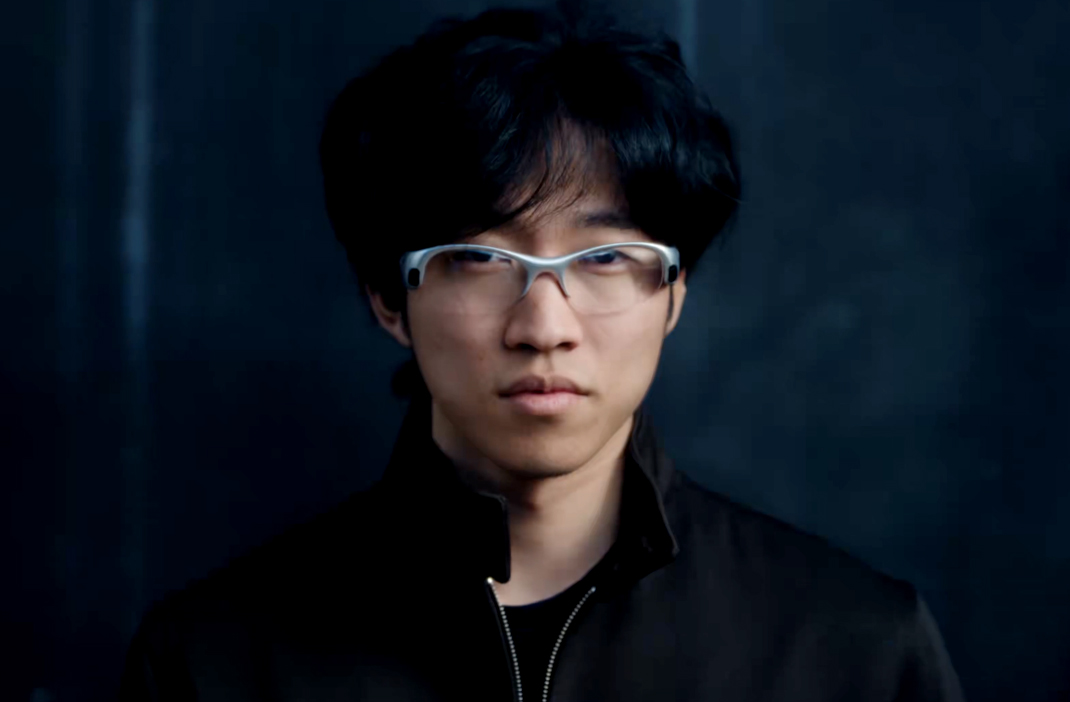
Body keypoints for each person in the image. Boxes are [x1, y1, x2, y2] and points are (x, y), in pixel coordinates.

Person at [119, 4, 965, 700]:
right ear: (387, 298)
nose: (545, 325)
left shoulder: (853, 648)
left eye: (604, 258)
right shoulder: (214, 663)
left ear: (674, 292)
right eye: (481, 259)